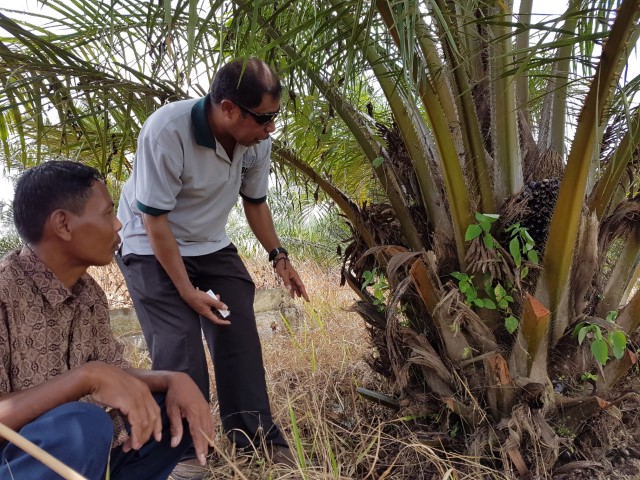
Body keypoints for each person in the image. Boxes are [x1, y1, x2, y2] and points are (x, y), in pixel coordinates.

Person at [116, 57, 309, 477]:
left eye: (276, 116)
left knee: (237, 327)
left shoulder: (256, 141)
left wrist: (280, 257)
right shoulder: (168, 130)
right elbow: (155, 221)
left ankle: (256, 436)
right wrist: (186, 290)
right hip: (149, 243)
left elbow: (255, 203)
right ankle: (186, 452)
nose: (271, 127)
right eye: (264, 117)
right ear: (227, 109)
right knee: (179, 344)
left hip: (209, 242)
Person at [0, 161, 216, 480]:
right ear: (63, 224)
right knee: (84, 424)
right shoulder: (4, 292)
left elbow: (112, 371)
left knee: (172, 410)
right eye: (106, 213)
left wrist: (173, 379)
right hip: (18, 462)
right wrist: (87, 377)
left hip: (81, 453)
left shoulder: (90, 295)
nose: (118, 225)